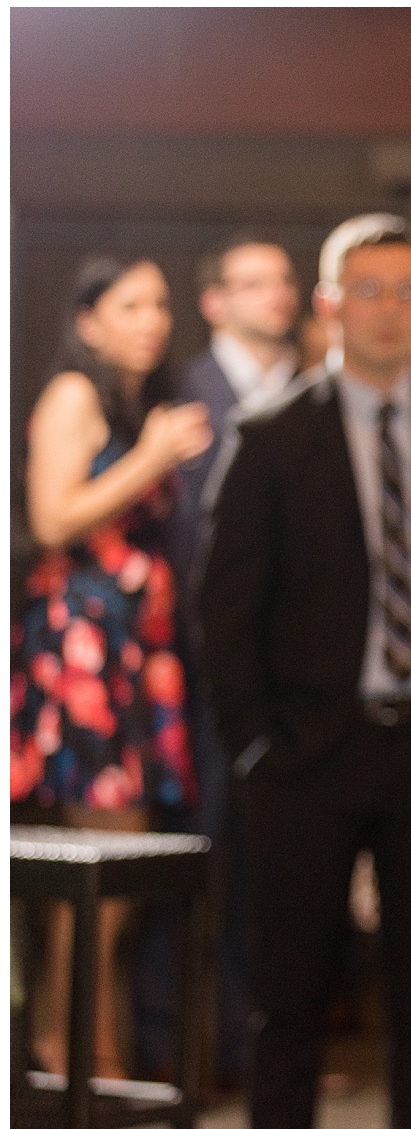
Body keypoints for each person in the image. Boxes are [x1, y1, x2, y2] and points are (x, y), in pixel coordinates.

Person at [198, 214, 411, 1129]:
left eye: (406, 291)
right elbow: (225, 606)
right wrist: (257, 743)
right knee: (290, 997)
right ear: (332, 305)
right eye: (368, 291)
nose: (389, 311)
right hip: (306, 754)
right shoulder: (271, 434)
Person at [12, 256, 213, 1082]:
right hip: (82, 648)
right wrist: (153, 457)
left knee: (123, 865)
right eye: (131, 304)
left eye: (160, 304)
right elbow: (52, 515)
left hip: (137, 651)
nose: (151, 320)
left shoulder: (137, 405)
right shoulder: (73, 396)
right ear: (89, 320)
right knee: (99, 861)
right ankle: (69, 1043)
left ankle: (89, 1040)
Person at [136, 232, 302, 1090]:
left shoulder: (314, 393)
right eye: (253, 281)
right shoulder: (184, 398)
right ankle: (179, 1044)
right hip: (197, 673)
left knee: (276, 873)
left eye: (284, 280)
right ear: (215, 300)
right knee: (196, 855)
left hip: (296, 679)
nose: (277, 295)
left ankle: (255, 1043)